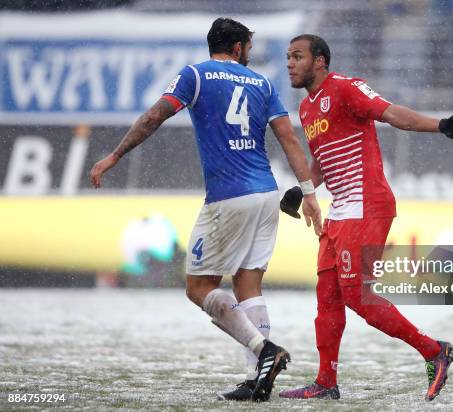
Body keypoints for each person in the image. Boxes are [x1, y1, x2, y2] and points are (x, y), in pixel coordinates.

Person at [89, 18, 322, 402]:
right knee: (249, 285)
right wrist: (309, 192)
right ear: (236, 48)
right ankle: (256, 378)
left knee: (199, 287)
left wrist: (114, 155)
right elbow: (288, 139)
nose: (249, 52)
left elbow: (153, 117)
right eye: (248, 46)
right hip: (267, 195)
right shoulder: (262, 84)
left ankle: (265, 352)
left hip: (228, 198)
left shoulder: (195, 75)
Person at [279, 34, 453, 401]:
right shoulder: (308, 108)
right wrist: (304, 188)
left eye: (297, 56)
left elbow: (393, 115)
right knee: (327, 297)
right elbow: (323, 159)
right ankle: (325, 382)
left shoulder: (347, 88)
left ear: (320, 61)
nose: (290, 63)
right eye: (288, 57)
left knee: (359, 297)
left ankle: (434, 351)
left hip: (367, 205)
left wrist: (441, 126)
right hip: (340, 210)